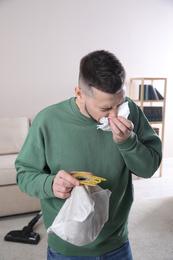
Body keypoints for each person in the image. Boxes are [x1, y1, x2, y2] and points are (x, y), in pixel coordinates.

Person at [15, 50, 162, 260]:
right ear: (80, 93)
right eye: (105, 108)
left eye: (119, 104)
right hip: (67, 247)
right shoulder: (47, 120)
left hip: (116, 242)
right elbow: (23, 175)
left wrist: (128, 143)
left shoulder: (131, 112)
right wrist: (50, 184)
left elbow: (148, 169)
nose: (114, 115)